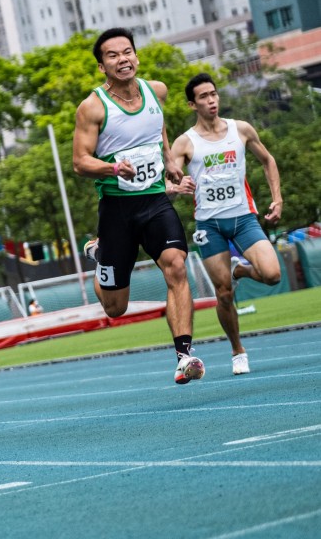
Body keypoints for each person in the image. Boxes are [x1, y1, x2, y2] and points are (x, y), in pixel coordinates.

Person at [72, 28, 205, 385]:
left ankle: (184, 356)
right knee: (116, 308)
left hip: (155, 201)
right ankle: (101, 256)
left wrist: (168, 159)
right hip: (117, 210)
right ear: (102, 67)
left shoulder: (155, 90)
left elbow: (156, 125)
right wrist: (112, 167)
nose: (122, 59)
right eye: (112, 56)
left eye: (127, 52)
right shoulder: (93, 107)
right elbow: (80, 162)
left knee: (176, 266)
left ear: (137, 56)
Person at [171, 72, 283, 375]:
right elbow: (168, 183)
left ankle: (241, 269)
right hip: (209, 226)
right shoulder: (185, 142)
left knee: (272, 275)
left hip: (244, 218)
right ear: (192, 104)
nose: (212, 100)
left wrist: (277, 198)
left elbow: (268, 160)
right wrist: (176, 187)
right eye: (204, 97)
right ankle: (237, 350)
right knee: (223, 293)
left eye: (214, 94)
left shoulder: (241, 130)